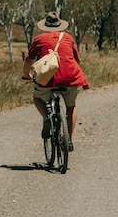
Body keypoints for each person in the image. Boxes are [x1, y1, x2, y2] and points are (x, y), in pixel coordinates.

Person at [21, 11, 89, 149]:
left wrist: (26, 74)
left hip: (47, 79)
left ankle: (46, 118)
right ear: (60, 25)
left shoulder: (39, 39)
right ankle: (69, 140)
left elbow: (29, 59)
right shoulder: (68, 38)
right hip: (71, 77)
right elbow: (77, 59)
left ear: (45, 26)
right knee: (71, 106)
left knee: (37, 98)